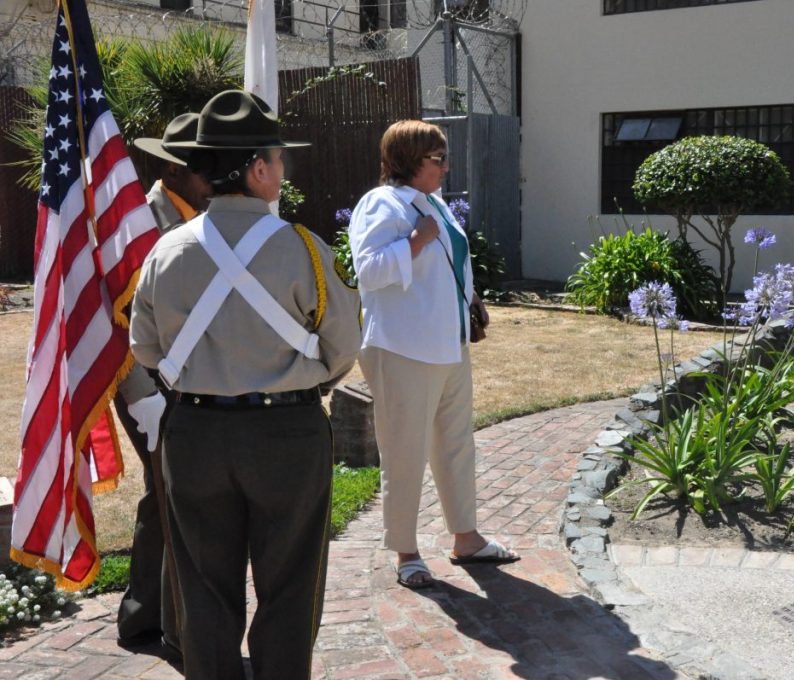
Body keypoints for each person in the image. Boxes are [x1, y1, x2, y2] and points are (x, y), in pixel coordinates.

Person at [129, 89, 362, 680]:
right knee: (290, 585)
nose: (283, 169)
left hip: (195, 433)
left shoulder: (165, 252)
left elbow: (146, 349)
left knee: (203, 590)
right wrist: (300, 380)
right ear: (258, 168)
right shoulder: (304, 249)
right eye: (279, 159)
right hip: (287, 434)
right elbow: (343, 349)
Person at [348, 119, 519, 590]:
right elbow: (368, 272)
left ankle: (466, 538)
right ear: (408, 160)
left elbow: (449, 262)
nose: (445, 167)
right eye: (437, 158)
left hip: (448, 344)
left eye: (445, 157)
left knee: (456, 443)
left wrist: (471, 297)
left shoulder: (434, 203)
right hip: (403, 348)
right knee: (405, 451)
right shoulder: (381, 203)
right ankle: (406, 552)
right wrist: (416, 240)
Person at [115, 112, 211, 657]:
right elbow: (120, 317)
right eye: (202, 167)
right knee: (168, 493)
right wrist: (141, 396)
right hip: (148, 383)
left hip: (188, 379)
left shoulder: (202, 215)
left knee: (173, 493)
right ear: (173, 170)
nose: (212, 176)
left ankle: (150, 615)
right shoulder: (142, 223)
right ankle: (161, 621)